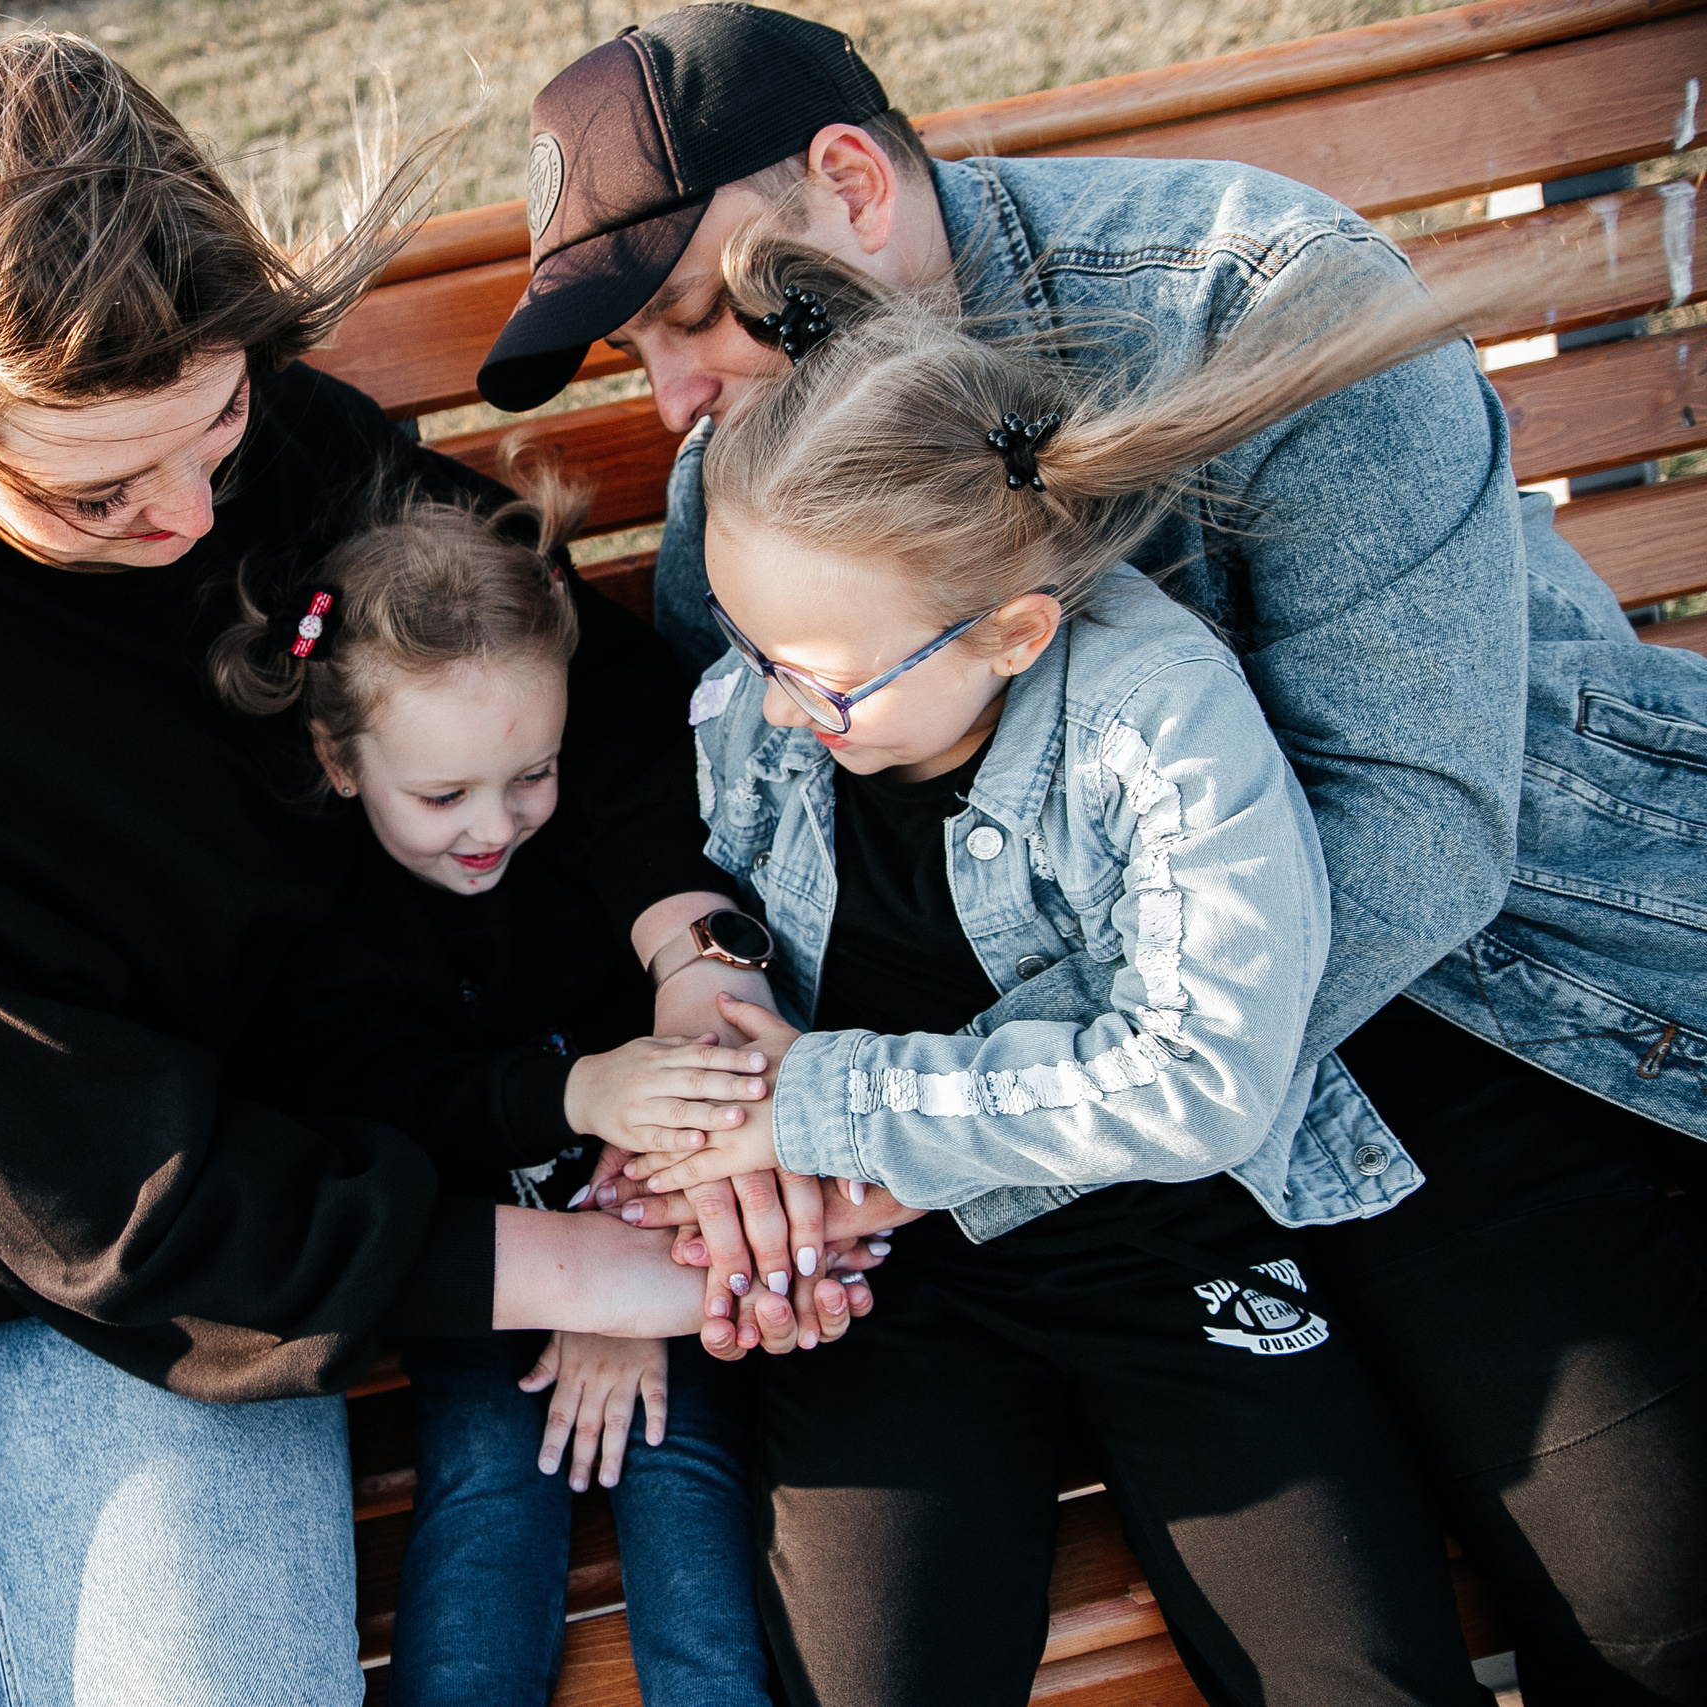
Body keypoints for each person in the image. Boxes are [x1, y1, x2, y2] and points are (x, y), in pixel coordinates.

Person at [488, 9, 1707, 1700]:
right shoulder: (741, 485)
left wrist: (903, 1135)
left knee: (1658, 1604)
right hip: (1042, 1127)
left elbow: (1417, 840)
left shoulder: (1264, 296)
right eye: (638, 359)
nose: (680, 401)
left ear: (849, 183)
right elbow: (757, 839)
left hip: (1433, 1007)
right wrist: (731, 1108)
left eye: (688, 317)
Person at [0, 33, 784, 1707]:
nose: (191, 518)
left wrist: (691, 954)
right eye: (96, 489)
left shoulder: (277, 452)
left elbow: (578, 677)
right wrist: (628, 1262)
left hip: (206, 1243)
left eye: (210, 428)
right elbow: (113, 1201)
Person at [626, 234, 1506, 1705]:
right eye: (748, 647)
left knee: (1362, 1672)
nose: (774, 711)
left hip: (1164, 1230)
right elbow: (700, 918)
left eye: (819, 677)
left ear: (1015, 631)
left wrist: (816, 1108)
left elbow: (1201, 1077)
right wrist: (737, 1180)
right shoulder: (769, 695)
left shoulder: (1157, 718)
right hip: (889, 1271)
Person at [212, 476, 825, 1707]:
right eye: (441, 797)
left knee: (685, 1461)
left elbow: (696, 1085)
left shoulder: (588, 858)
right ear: (338, 758)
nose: (494, 827)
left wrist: (622, 1270)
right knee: (491, 1474)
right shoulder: (328, 926)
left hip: (658, 1235)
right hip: (469, 1253)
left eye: (531, 775)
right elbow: (382, 1103)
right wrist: (576, 1098)